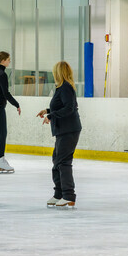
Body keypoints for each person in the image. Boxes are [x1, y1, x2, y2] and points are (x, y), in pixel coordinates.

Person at [37, 61, 82, 209]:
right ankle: (59, 193)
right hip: (64, 130)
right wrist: (47, 110)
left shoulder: (65, 88)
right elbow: (62, 105)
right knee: (57, 160)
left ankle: (68, 195)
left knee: (63, 162)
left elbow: (69, 108)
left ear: (58, 72)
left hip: (69, 130)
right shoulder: (61, 88)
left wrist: (51, 115)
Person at [0, 51, 20, 173]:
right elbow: (5, 93)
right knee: (3, 133)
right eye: (8, 59)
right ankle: (1, 160)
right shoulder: (2, 74)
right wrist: (16, 104)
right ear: (3, 61)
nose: (9, 61)